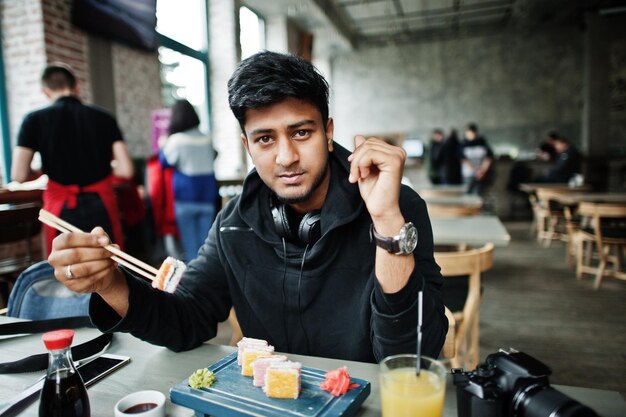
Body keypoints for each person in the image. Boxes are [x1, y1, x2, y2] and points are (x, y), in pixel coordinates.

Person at [47, 51, 447, 363]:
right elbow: (187, 320)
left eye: (301, 132)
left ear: (328, 132)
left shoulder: (393, 204)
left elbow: (408, 357)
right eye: (265, 139)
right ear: (247, 146)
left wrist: (386, 222)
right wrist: (109, 284)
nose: (286, 156)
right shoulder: (235, 221)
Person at [11, 63, 133, 255]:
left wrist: (42, 171)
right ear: (77, 86)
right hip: (100, 202)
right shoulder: (105, 118)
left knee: (65, 265)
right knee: (109, 261)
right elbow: (126, 170)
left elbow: (18, 174)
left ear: (45, 91)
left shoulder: (33, 120)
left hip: (60, 207)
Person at [159, 99, 219, 262]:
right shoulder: (207, 138)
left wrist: (162, 145)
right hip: (207, 197)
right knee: (206, 246)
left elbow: (164, 163)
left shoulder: (176, 140)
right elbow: (214, 155)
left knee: (191, 248)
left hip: (185, 198)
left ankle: (193, 283)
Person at [460, 123, 494, 194]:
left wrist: (482, 170)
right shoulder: (463, 143)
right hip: (468, 174)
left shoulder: (482, 142)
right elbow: (463, 159)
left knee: (478, 194)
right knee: (467, 194)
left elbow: (488, 157)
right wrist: (475, 171)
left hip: (481, 174)